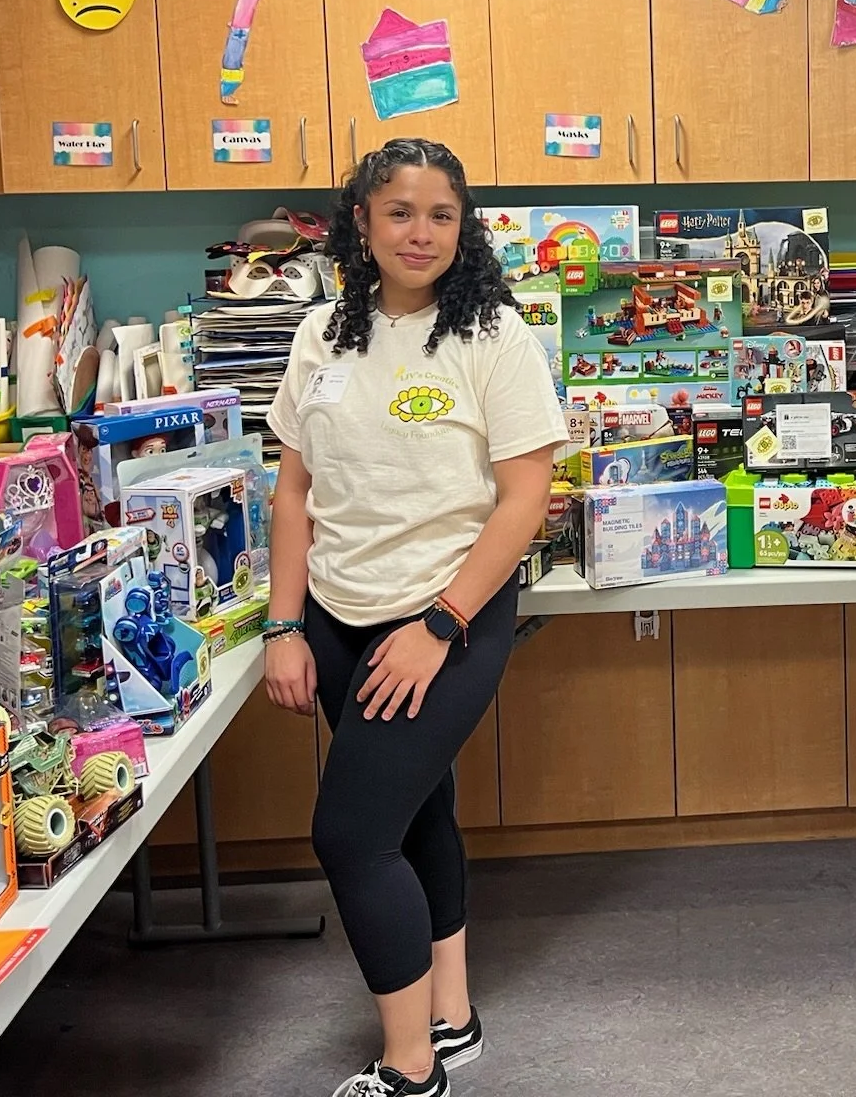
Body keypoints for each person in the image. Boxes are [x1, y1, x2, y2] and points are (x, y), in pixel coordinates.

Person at [263, 137, 567, 1097]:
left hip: (450, 617)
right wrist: (283, 625)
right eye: (399, 212)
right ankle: (452, 1017)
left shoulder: (494, 337)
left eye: (442, 214)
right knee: (411, 810)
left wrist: (439, 625)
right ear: (362, 222)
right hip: (339, 613)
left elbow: (525, 497)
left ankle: (409, 1069)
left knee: (350, 837)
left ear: (463, 227)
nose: (421, 232)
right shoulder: (323, 333)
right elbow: (291, 490)